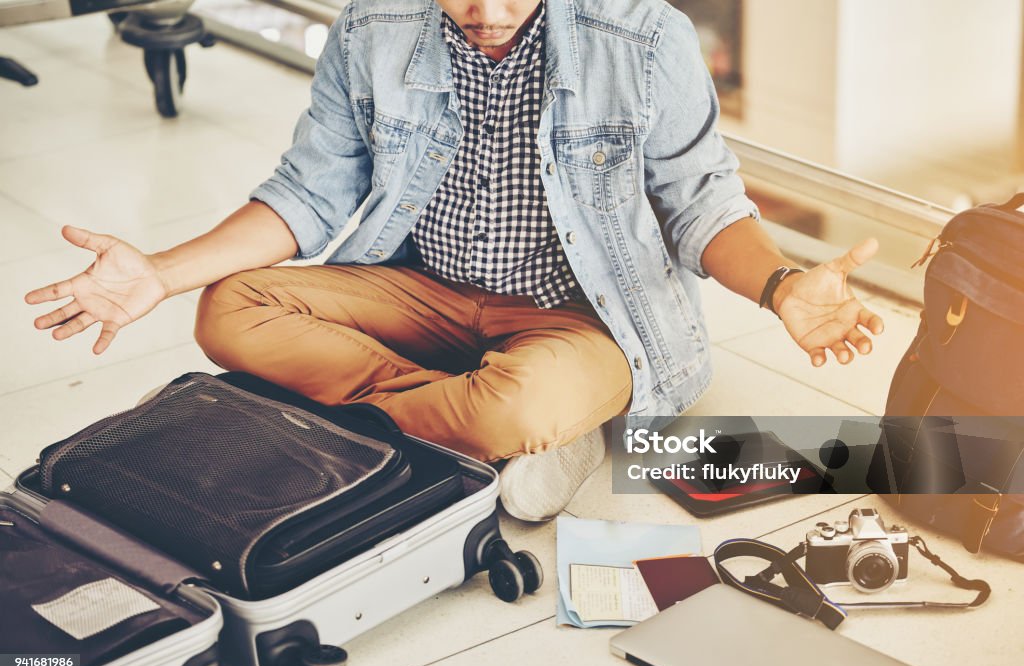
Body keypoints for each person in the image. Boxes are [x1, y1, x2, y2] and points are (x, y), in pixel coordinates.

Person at [24, 0, 884, 521]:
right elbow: (309, 191)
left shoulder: (645, 35)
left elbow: (701, 202)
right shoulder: (373, 24)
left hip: (581, 317)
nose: (486, 13)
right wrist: (160, 274)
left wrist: (780, 285)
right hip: (422, 293)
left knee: (526, 394)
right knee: (228, 308)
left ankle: (485, 416)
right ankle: (484, 425)